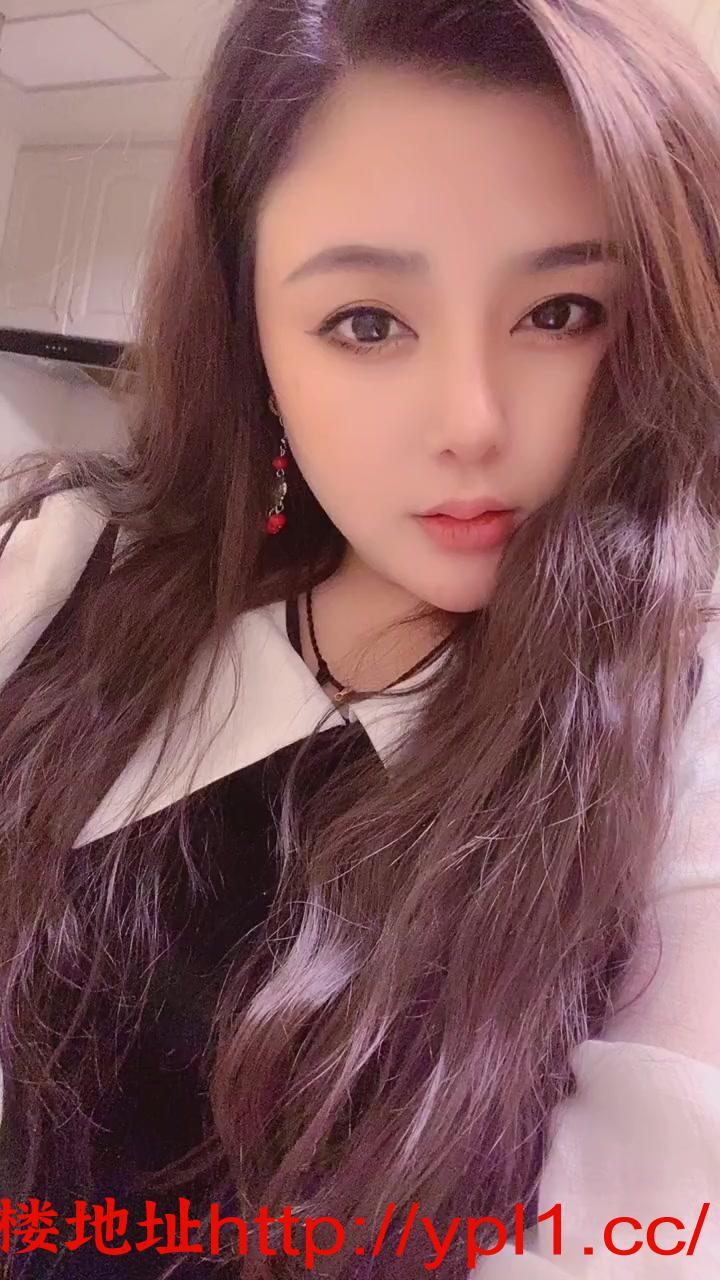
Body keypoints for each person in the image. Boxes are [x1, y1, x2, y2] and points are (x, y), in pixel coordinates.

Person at [0, 0, 719, 1275]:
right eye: (368, 323)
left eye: (563, 310)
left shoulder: (681, 728)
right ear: (256, 342)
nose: (472, 421)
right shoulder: (69, 577)